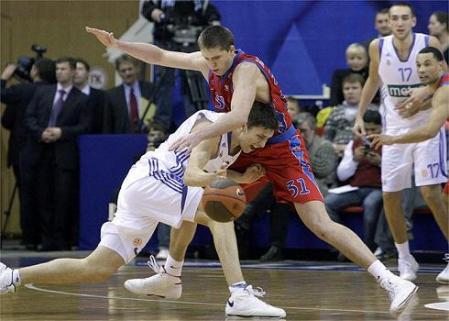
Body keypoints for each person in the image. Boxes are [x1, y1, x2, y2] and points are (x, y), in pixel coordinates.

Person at [86, 24, 418, 314]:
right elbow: (160, 56)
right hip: (240, 142)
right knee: (195, 195)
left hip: (277, 145)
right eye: (208, 59)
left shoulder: (245, 70)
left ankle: (390, 281)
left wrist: (199, 132)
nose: (213, 66)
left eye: (218, 59)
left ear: (232, 50)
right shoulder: (209, 62)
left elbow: (238, 115)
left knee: (319, 223)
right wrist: (118, 45)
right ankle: (172, 275)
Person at [0, 102, 286, 318]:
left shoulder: (234, 147)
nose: (260, 145)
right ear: (242, 124)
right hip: (153, 179)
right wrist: (223, 182)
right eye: (259, 136)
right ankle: (238, 293)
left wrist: (238, 178)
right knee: (218, 214)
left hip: (146, 189)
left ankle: (11, 277)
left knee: (97, 267)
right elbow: (190, 176)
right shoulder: (212, 128)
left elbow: (199, 179)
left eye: (265, 140)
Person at [353, 2, 447, 282]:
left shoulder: (428, 42)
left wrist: (422, 97)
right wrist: (359, 114)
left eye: (405, 18)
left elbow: (444, 78)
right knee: (390, 195)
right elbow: (372, 80)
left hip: (426, 125)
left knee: (431, 192)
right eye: (395, 19)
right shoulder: (377, 47)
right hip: (393, 129)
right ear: (387, 22)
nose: (400, 23)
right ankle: (405, 259)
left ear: (414, 21)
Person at [369, 46, 449, 284]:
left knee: (435, 196)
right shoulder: (434, 87)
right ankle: (405, 257)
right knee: (440, 198)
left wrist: (392, 139)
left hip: (424, 136)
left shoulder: (444, 91)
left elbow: (428, 130)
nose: (422, 70)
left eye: (427, 64)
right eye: (419, 65)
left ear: (441, 65)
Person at [141, 0, 221, 135]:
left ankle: (197, 120)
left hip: (192, 43)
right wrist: (158, 15)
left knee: (195, 80)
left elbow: (210, 12)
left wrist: (213, 24)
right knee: (164, 82)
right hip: (166, 40)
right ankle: (160, 123)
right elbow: (147, 7)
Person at [1, 58, 56, 250]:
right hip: (51, 147)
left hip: (23, 148)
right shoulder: (55, 90)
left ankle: (29, 238)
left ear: (35, 71)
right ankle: (46, 237)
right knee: (48, 194)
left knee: (27, 194)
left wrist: (4, 77)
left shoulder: (23, 91)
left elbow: (4, 106)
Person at [325, 110, 384, 253]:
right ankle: (342, 247)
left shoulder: (388, 142)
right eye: (366, 129)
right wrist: (354, 160)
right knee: (327, 204)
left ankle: (368, 250)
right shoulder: (354, 144)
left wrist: (380, 163)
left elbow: (397, 173)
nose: (369, 133)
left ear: (382, 128)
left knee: (370, 205)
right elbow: (342, 175)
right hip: (356, 188)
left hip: (379, 188)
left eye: (374, 130)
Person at [325, 73, 377, 157]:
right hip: (336, 153)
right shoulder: (335, 111)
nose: (350, 92)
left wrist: (350, 149)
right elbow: (327, 138)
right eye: (347, 89)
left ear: (364, 90)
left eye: (354, 88)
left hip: (364, 152)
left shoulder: (373, 110)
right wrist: (334, 147)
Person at [104, 54, 156, 134]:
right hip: (122, 140)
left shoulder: (150, 89)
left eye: (130, 69)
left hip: (148, 137)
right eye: (123, 71)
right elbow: (108, 124)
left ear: (136, 69)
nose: (127, 73)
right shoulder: (111, 95)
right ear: (118, 72)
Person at [73, 58, 108, 133]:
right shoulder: (66, 95)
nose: (76, 72)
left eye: (80, 69)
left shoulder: (101, 95)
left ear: (88, 73)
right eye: (74, 69)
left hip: (95, 139)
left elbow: (105, 121)